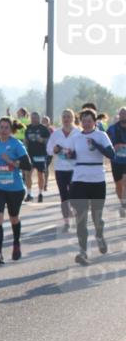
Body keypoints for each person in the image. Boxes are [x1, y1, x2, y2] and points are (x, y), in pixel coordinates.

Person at [53, 108, 116, 265]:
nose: (86, 124)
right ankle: (83, 251)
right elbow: (73, 156)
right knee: (81, 218)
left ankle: (99, 235)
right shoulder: (77, 137)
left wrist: (96, 144)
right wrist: (61, 152)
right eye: (84, 121)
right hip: (80, 178)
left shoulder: (101, 135)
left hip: (97, 179)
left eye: (89, 121)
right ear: (80, 122)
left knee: (97, 218)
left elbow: (112, 154)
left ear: (95, 122)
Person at [0, 117, 32, 264]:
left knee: (13, 218)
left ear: (11, 130)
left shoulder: (16, 144)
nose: (3, 130)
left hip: (15, 188)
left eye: (6, 127)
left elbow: (27, 165)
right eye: (1, 127)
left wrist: (11, 161)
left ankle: (16, 243)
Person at [46, 109, 79, 232]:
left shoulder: (78, 133)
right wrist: (54, 150)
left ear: (73, 118)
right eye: (64, 117)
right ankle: (66, 222)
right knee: (63, 196)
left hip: (74, 168)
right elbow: (48, 150)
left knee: (73, 195)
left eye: (68, 117)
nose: (66, 119)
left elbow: (82, 149)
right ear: (61, 119)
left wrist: (73, 153)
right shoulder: (56, 134)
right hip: (60, 168)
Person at [24, 112, 51, 202]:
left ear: (38, 118)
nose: (34, 119)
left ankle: (40, 193)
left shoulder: (43, 129)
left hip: (40, 154)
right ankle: (29, 194)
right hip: (30, 154)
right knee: (28, 174)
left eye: (35, 118)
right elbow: (26, 140)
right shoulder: (28, 128)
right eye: (32, 118)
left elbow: (49, 141)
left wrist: (41, 140)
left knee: (40, 174)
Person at [107, 107, 126, 218]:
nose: (123, 115)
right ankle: (122, 202)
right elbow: (106, 142)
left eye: (125, 113)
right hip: (116, 160)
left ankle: (124, 204)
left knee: (125, 181)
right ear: (119, 115)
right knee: (118, 184)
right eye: (122, 113)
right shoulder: (112, 128)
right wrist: (113, 146)